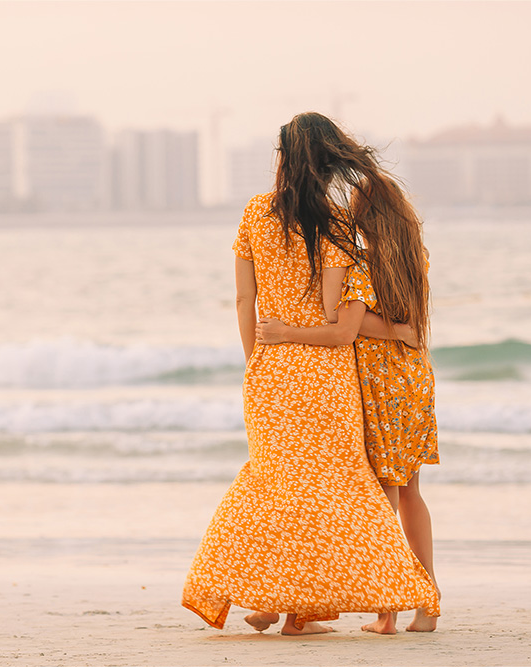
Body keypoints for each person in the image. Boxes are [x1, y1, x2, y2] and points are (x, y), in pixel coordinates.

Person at [181, 112, 438, 635]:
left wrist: (258, 359)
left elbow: (242, 299)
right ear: (329, 162)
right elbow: (330, 315)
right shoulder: (337, 225)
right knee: (330, 491)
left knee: (274, 486)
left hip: (270, 371)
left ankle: (283, 605)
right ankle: (332, 605)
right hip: (324, 374)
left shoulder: (255, 213)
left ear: (283, 158)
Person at [256, 175, 440, 634]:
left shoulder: (360, 265)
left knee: (384, 498)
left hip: (379, 386)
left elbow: (348, 328)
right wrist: (399, 332)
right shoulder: (414, 260)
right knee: (411, 491)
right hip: (414, 382)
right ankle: (427, 607)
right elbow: (413, 330)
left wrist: (286, 332)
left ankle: (388, 612)